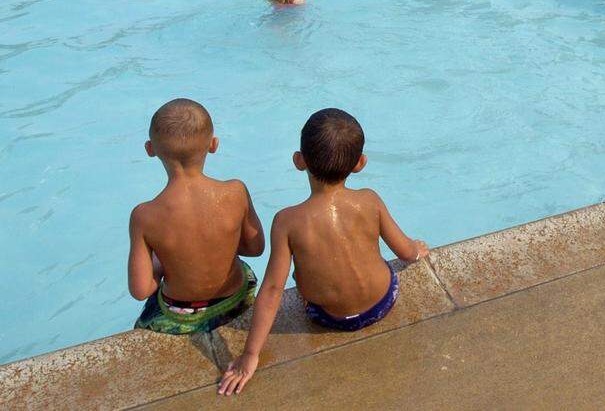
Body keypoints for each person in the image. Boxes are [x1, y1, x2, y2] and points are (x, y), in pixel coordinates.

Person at [218, 108, 429, 395]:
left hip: (329, 318)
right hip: (382, 302)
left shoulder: (287, 221)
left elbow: (272, 290)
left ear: (298, 161)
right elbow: (404, 251)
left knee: (298, 271)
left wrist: (250, 355)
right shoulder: (369, 201)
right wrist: (417, 250)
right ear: (360, 164)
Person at [128, 99, 266, 335]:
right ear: (214, 145)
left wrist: (163, 263)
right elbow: (255, 248)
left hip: (180, 314)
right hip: (237, 299)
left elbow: (141, 289)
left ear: (150, 149)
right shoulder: (235, 191)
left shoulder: (145, 215)